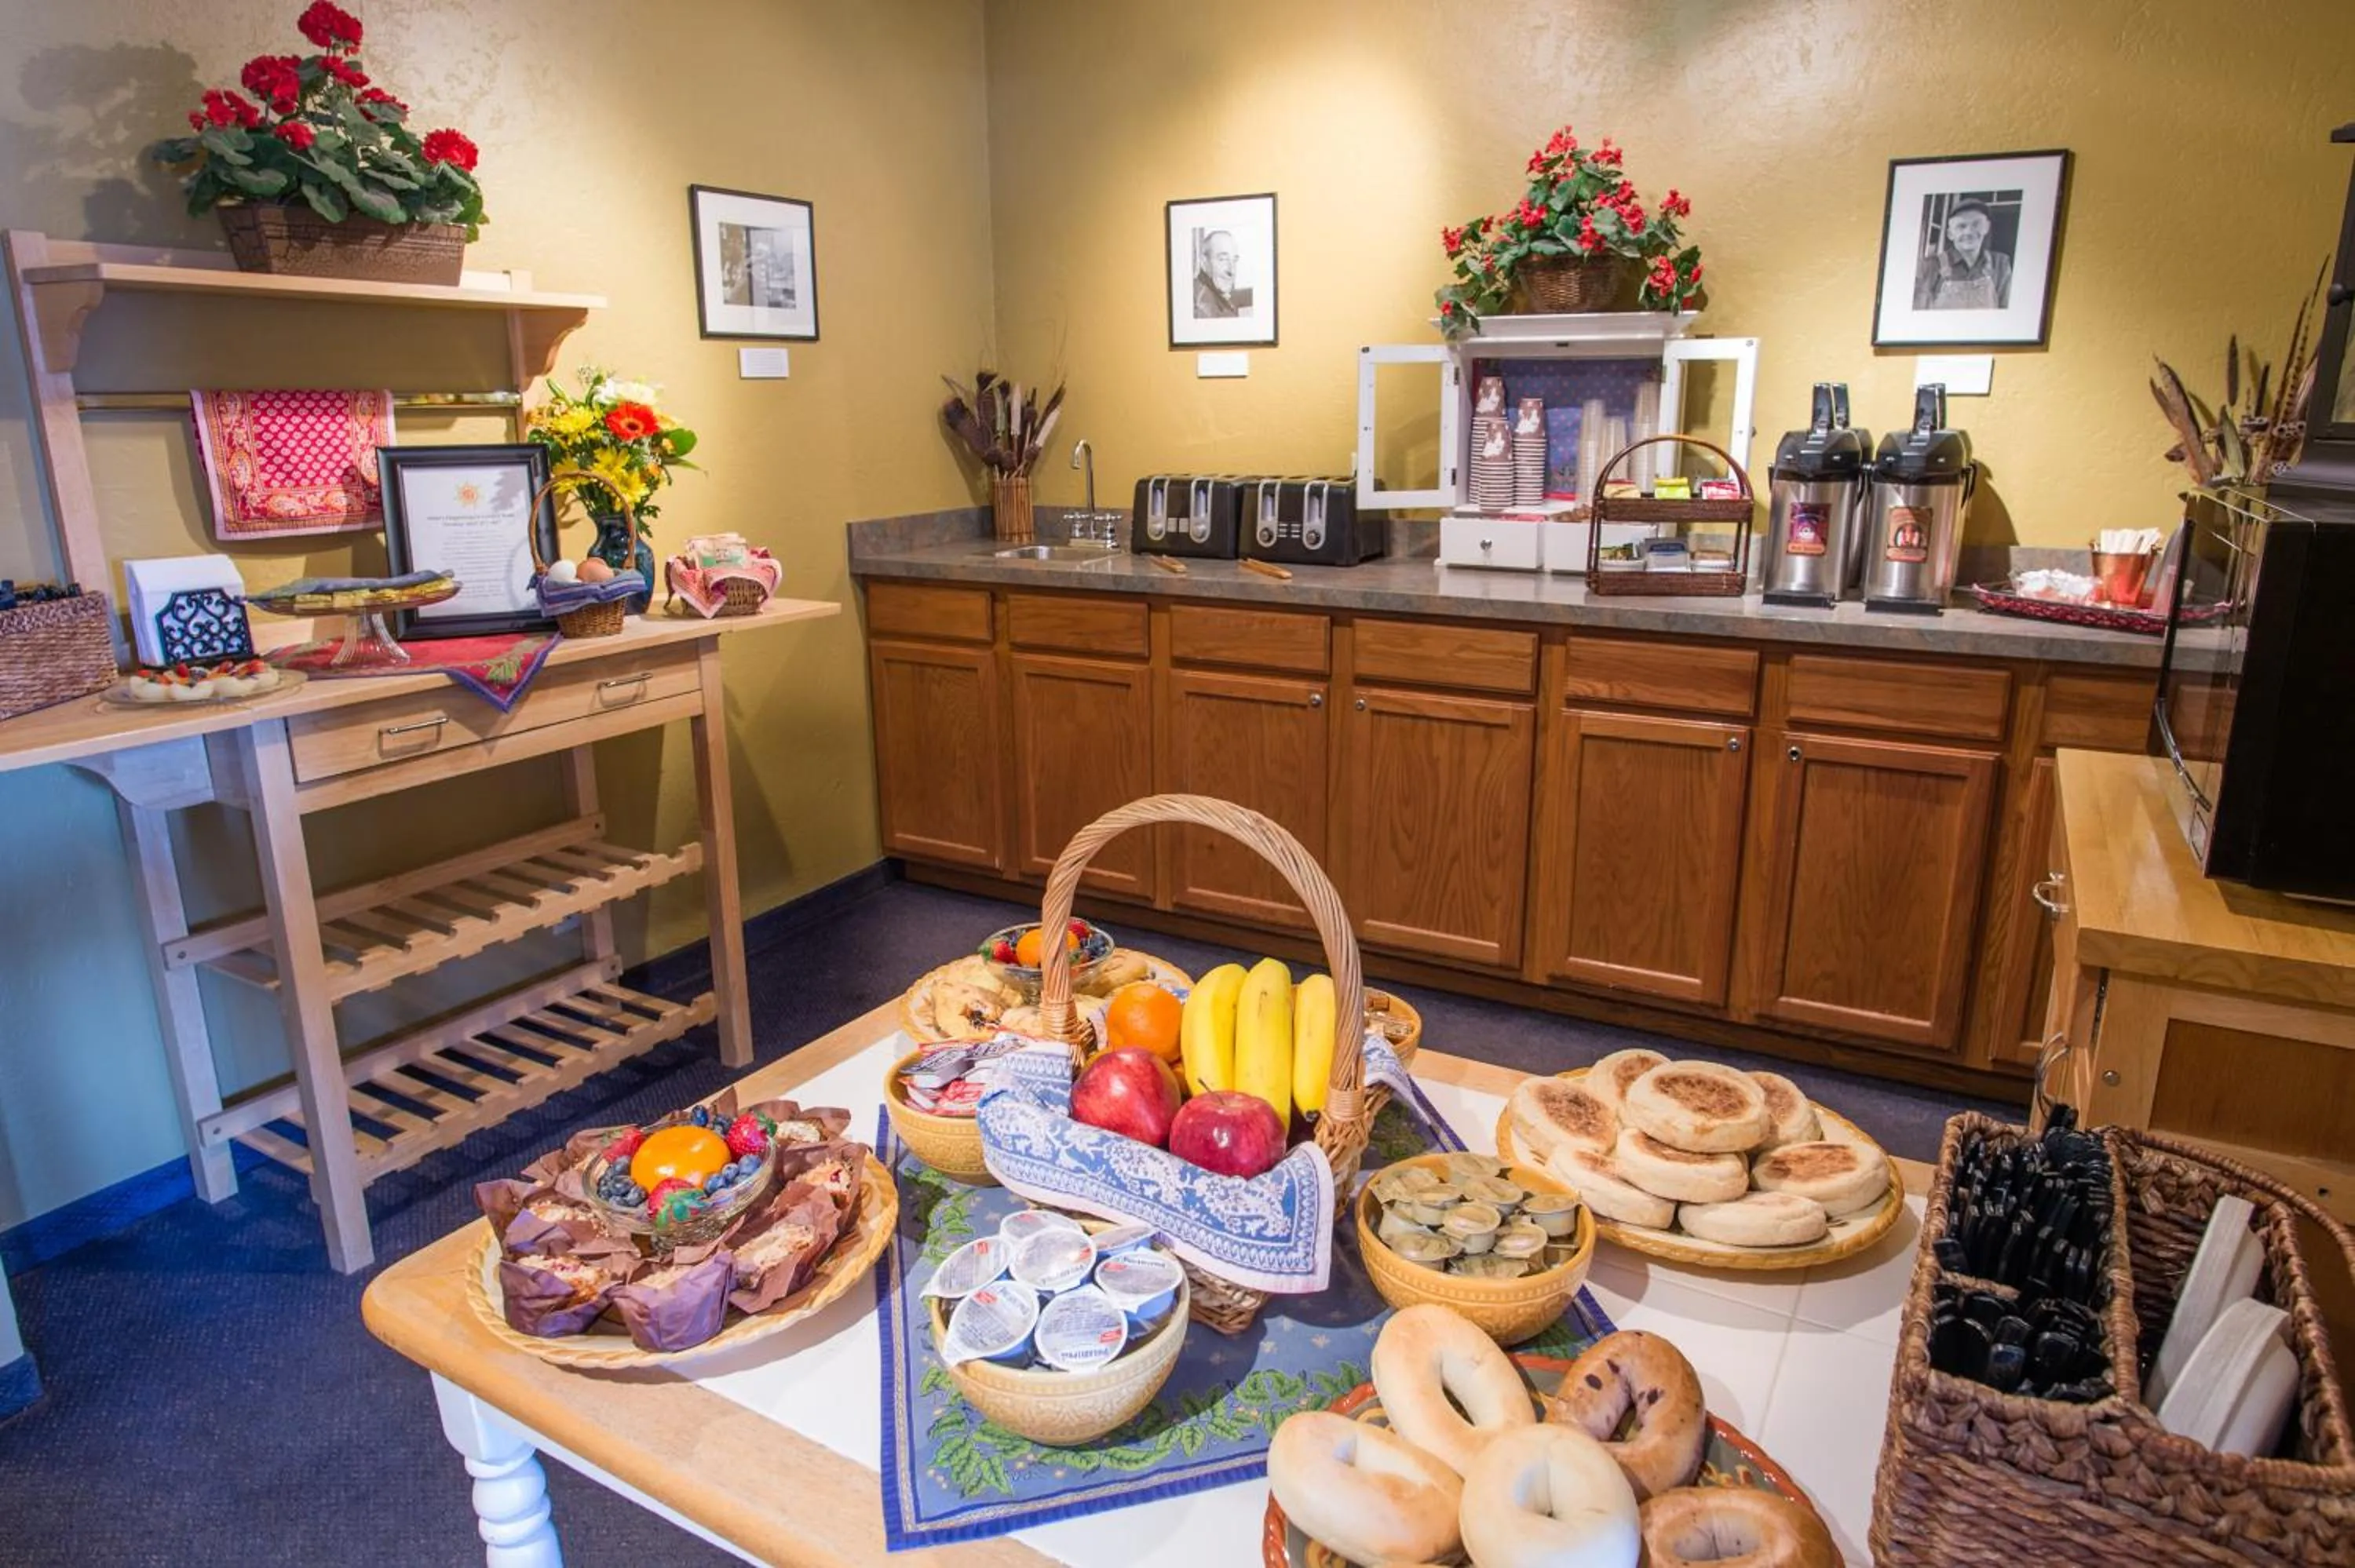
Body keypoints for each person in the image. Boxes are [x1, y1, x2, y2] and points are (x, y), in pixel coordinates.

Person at [1913, 198, 2013, 311]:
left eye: (1976, 224)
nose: (1969, 232)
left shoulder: (2000, 264)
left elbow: (2006, 313)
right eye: (1961, 226)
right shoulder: (1929, 267)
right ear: (1950, 234)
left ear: (1987, 228)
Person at [1192, 228, 1253, 318]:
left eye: (1234, 260)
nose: (1232, 271)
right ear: (1204, 262)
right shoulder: (1205, 305)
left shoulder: (1212, 288)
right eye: (1223, 259)